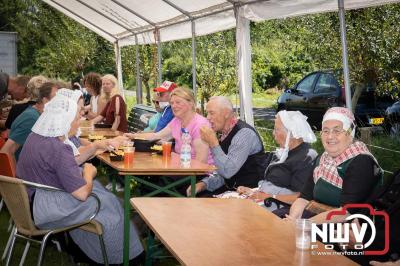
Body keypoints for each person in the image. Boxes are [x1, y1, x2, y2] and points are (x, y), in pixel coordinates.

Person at [16, 94, 144, 264]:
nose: (79, 121)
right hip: (49, 209)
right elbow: (82, 194)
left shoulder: (37, 137)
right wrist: (89, 173)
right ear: (66, 121)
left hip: (33, 201)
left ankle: (90, 250)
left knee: (105, 196)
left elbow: (65, 164)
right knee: (109, 203)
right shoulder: (58, 148)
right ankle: (123, 257)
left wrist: (94, 148)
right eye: (77, 117)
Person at [285, 107, 383, 224]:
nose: (330, 136)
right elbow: (304, 197)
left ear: (350, 133)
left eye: (337, 131)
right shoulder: (322, 159)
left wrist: (303, 225)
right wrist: (292, 219)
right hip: (314, 220)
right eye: (325, 131)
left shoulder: (361, 161)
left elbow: (346, 212)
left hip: (345, 230)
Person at [186, 96, 268, 196]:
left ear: (226, 113)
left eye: (211, 113)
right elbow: (221, 171)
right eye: (207, 113)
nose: (207, 117)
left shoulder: (244, 134)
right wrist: (204, 184)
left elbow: (228, 171)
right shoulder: (224, 134)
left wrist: (213, 143)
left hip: (250, 194)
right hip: (232, 191)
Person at [235, 110, 318, 204]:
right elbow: (271, 186)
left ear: (291, 134)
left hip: (281, 207)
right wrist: (252, 191)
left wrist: (270, 196)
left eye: (276, 129)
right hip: (266, 201)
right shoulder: (285, 152)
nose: (273, 133)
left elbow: (301, 197)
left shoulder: (306, 157)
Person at [126, 87, 213, 165]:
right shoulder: (177, 120)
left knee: (151, 174)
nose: (174, 106)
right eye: (172, 103)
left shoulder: (200, 124)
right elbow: (157, 136)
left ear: (191, 103)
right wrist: (134, 136)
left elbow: (201, 162)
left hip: (196, 174)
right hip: (179, 166)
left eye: (178, 102)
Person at [56, 88, 126, 165]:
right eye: (79, 110)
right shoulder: (58, 139)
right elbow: (75, 160)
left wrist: (104, 144)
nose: (82, 114)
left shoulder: (60, 134)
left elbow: (79, 152)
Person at [0, 82, 58, 163]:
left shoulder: (36, 114)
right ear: (45, 101)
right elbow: (6, 151)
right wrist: (15, 175)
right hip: (24, 173)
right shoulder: (31, 119)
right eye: (57, 100)